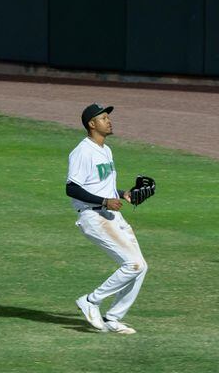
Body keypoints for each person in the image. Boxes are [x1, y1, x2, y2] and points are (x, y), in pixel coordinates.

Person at [66, 103, 148, 335]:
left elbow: (103, 186)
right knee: (133, 264)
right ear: (92, 124)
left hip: (112, 215)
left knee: (140, 267)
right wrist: (104, 202)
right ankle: (91, 301)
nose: (109, 121)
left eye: (108, 118)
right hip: (94, 216)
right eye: (103, 118)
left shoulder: (106, 150)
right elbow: (72, 188)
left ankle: (113, 318)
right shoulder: (82, 151)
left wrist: (124, 194)